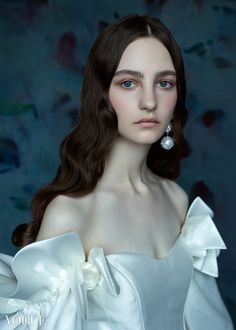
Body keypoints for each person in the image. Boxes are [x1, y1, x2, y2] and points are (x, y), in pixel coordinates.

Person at [0, 14, 234, 330]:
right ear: (102, 95)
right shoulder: (71, 213)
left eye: (164, 83)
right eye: (128, 83)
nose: (150, 101)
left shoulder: (178, 200)